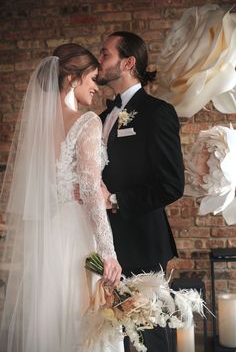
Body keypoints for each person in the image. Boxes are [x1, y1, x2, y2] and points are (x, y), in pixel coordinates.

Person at [0, 43, 123, 352]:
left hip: (46, 238)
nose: (96, 87)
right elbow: (92, 192)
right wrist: (108, 253)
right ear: (72, 78)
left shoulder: (36, 128)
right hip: (76, 236)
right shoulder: (86, 123)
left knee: (53, 318)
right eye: (92, 78)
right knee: (84, 319)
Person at [97, 31, 185, 352]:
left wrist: (115, 200)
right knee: (112, 333)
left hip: (143, 243)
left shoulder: (157, 112)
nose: (100, 61)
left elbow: (171, 184)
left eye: (105, 54)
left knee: (151, 335)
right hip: (106, 246)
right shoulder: (102, 117)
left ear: (128, 62)